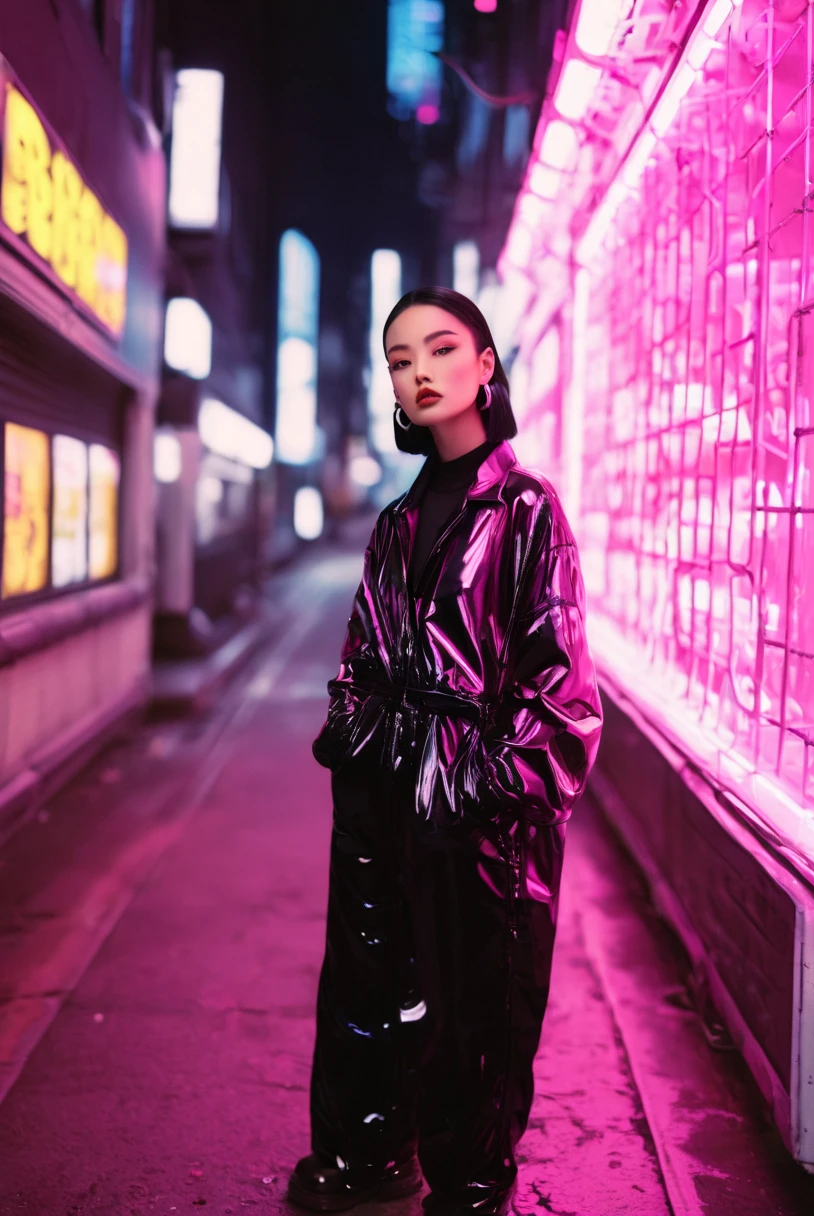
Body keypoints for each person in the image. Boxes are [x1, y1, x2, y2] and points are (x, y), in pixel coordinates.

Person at [288, 287, 603, 1215]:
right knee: (365, 976)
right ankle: (369, 1154)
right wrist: (357, 741)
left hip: (476, 809)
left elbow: (563, 696)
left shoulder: (528, 511)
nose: (418, 371)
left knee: (476, 1003)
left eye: (438, 348)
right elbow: (361, 657)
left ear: (485, 365)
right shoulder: (393, 524)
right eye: (398, 358)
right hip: (381, 788)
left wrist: (470, 784)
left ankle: (470, 1179)